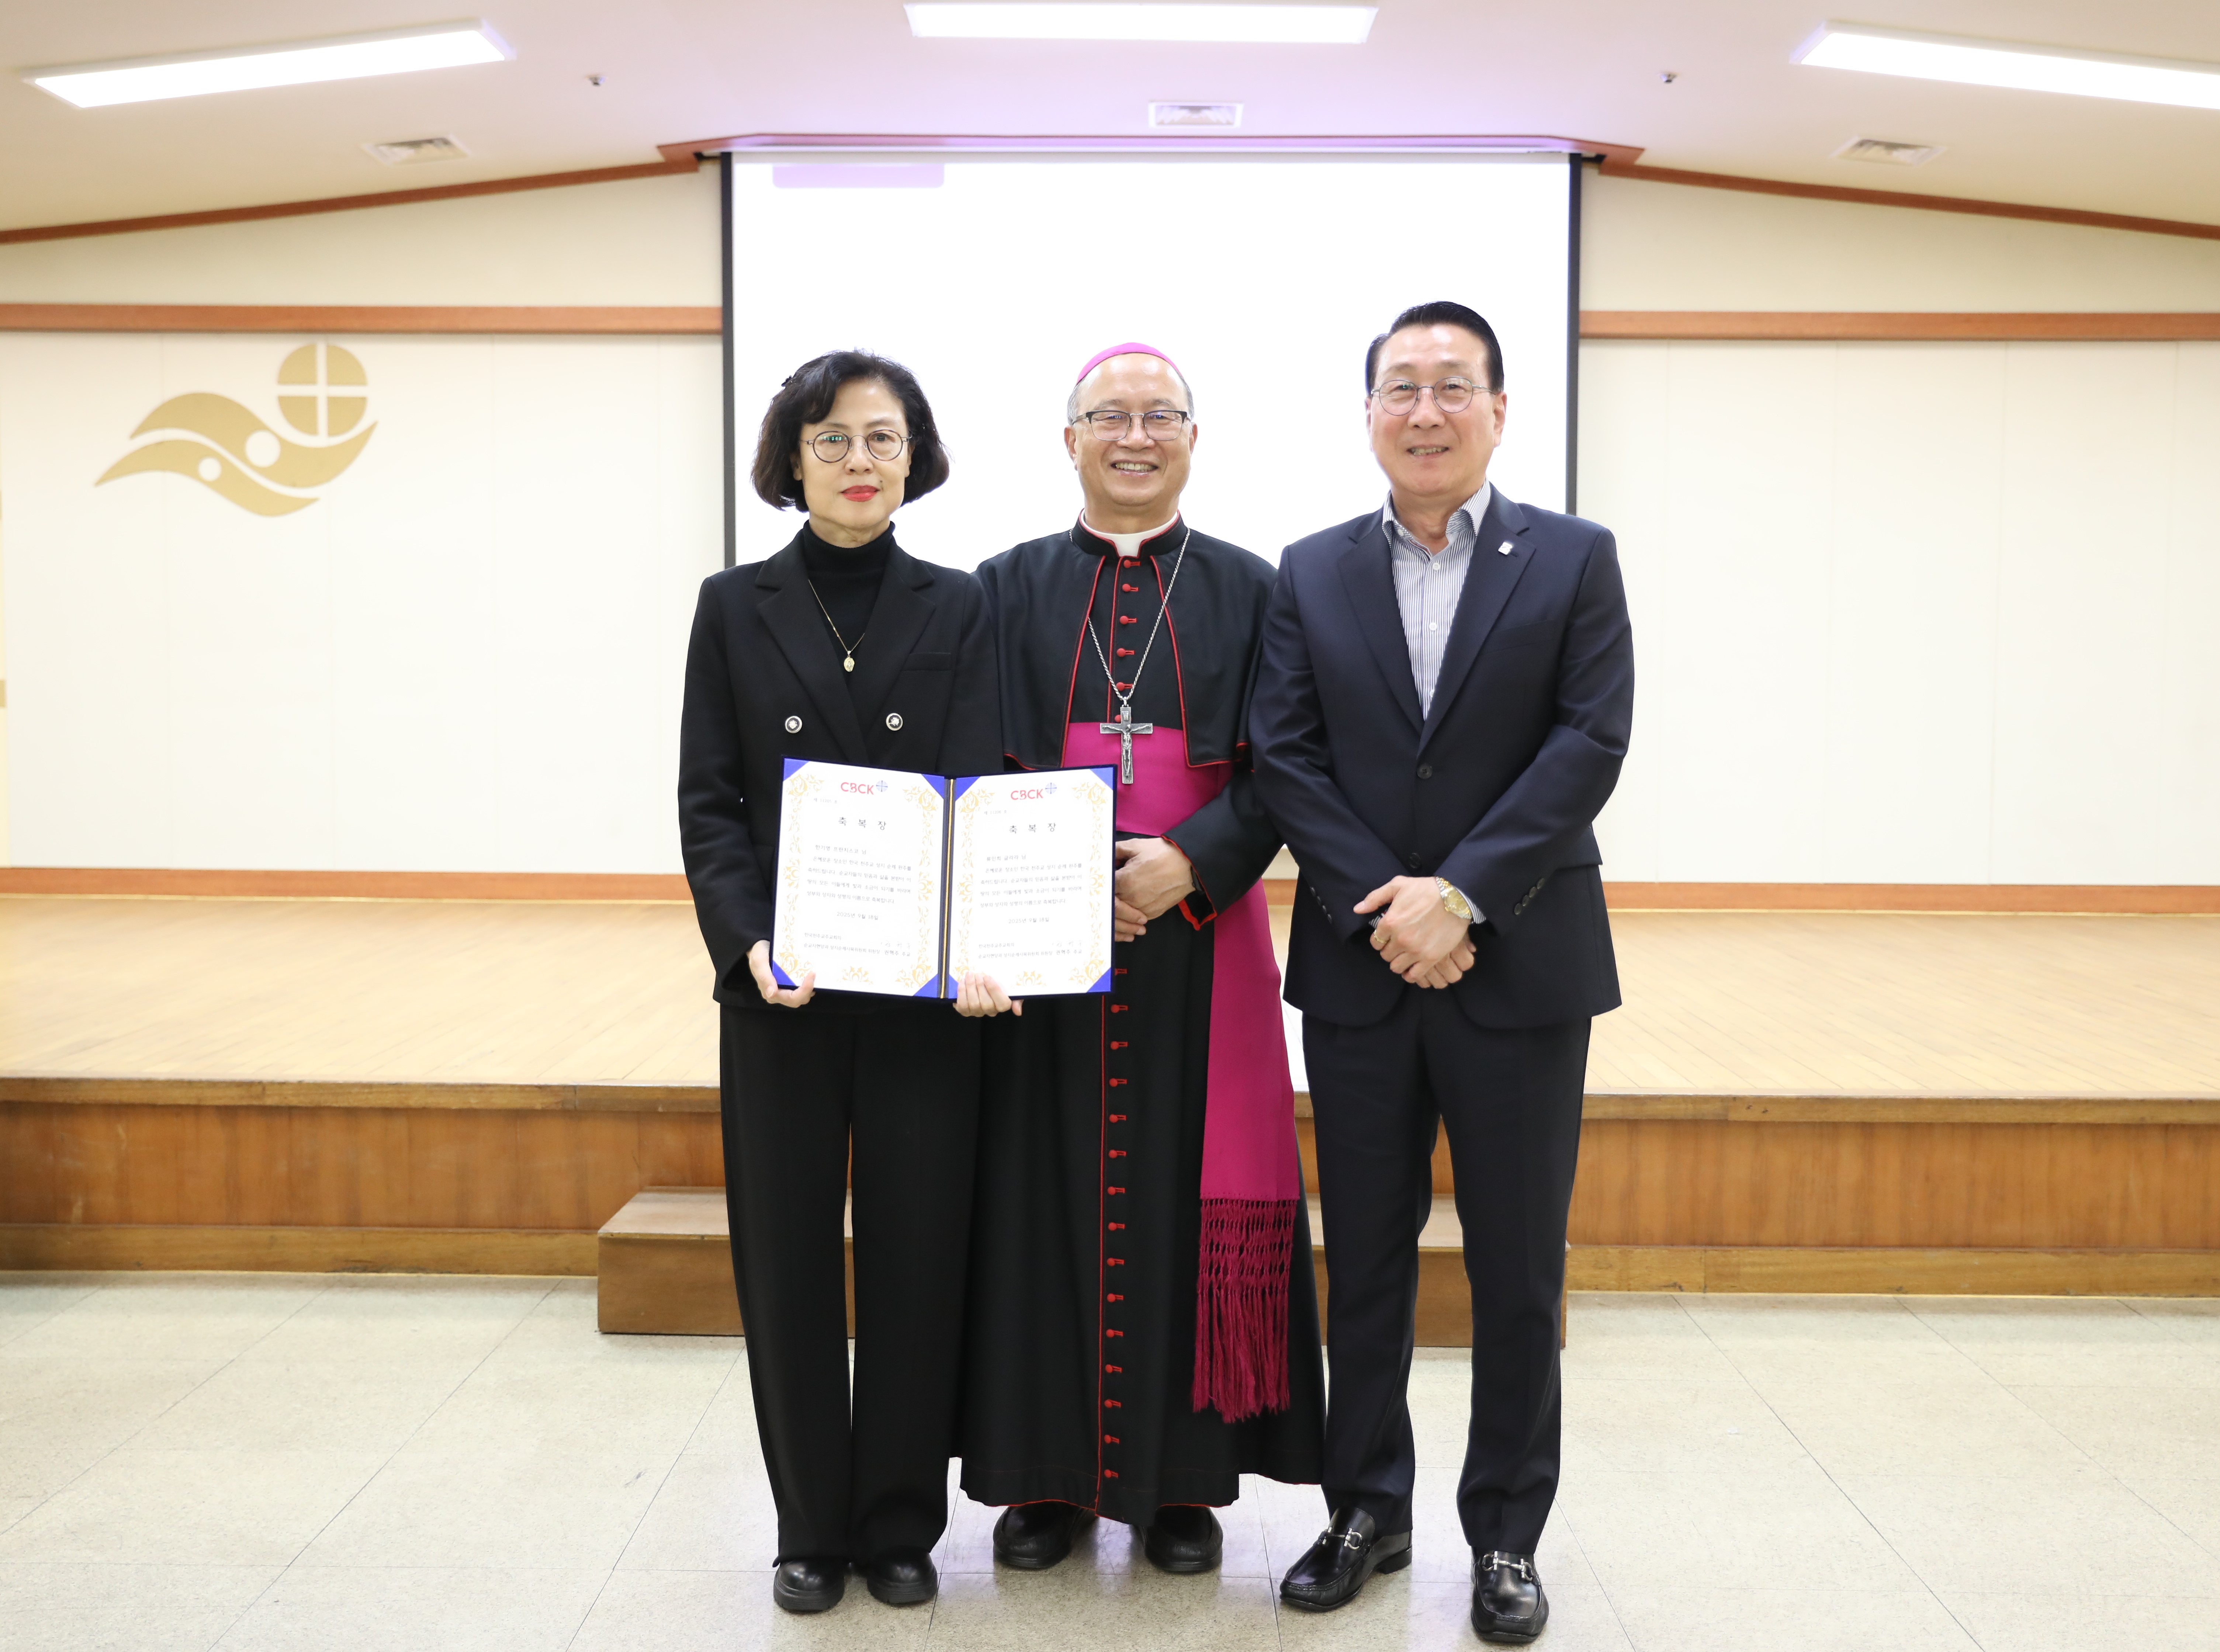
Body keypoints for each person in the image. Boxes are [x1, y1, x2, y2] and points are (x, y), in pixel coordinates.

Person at [1251, 302, 1634, 1642]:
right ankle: (1367, 1506)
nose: (1425, 411)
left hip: (1522, 963)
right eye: (1400, 388)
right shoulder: (1306, 570)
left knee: (1520, 1265)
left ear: (1499, 409)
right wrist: (1393, 909)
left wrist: (1461, 895)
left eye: (1451, 387)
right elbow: (1285, 754)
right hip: (1365, 971)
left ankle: (1507, 1535)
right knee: (1362, 1258)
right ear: (1367, 414)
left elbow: (1587, 743)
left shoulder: (1574, 558)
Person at [951, 344, 1325, 1574]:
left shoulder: (1258, 591)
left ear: (1192, 439)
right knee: (1038, 1184)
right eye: (1108, 416)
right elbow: (974, 764)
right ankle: (1042, 1479)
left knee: (1182, 1180)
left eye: (1159, 415)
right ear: (1068, 441)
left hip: (1199, 934)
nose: (1134, 434)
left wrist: (1193, 861)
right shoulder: (998, 589)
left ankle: (1182, 1485)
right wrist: (1066, 879)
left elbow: (1292, 764)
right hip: (1045, 942)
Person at [677, 350, 1000, 1615]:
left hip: (926, 1001)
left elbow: (981, 788)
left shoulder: (959, 603)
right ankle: (809, 1525)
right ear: (792, 458)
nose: (859, 461)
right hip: (785, 994)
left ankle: (899, 1522)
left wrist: (980, 944)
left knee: (922, 1254)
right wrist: (745, 940)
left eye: (881, 437)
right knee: (790, 1259)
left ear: (914, 455)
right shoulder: (732, 602)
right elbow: (711, 801)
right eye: (831, 439)